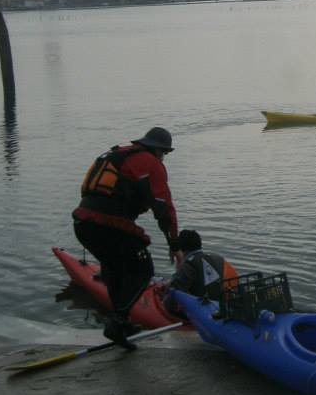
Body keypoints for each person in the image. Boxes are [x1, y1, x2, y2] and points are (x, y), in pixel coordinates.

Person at [72, 126, 179, 349]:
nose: (163, 157)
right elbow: (163, 207)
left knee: (114, 267)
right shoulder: (150, 163)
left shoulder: (117, 154)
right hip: (107, 224)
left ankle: (122, 322)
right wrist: (173, 242)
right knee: (143, 270)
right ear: (157, 149)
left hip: (83, 223)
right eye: (164, 153)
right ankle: (119, 320)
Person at [163, 229, 238, 318]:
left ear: (182, 247)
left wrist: (165, 305)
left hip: (204, 310)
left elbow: (175, 288)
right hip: (222, 302)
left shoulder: (190, 264)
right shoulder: (216, 258)